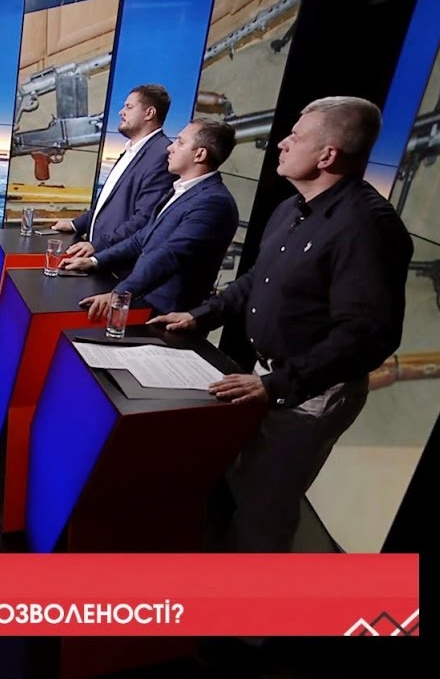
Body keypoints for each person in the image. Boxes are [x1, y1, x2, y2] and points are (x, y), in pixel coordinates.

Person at [150, 96, 414, 552]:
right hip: (268, 376)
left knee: (264, 508)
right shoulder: (292, 208)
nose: (282, 144)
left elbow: (368, 335)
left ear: (327, 155)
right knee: (241, 485)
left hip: (309, 392)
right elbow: (259, 279)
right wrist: (202, 314)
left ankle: (251, 598)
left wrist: (275, 385)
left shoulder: (368, 227)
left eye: (296, 136)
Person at [65, 118, 239, 319]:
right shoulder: (182, 190)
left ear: (200, 154)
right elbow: (142, 238)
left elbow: (171, 255)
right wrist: (95, 261)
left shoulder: (213, 202)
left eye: (180, 142)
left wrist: (119, 294)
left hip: (165, 314)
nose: (170, 148)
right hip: (144, 300)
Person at [54, 84, 176, 263]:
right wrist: (76, 224)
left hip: (116, 264)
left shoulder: (161, 155)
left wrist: (99, 245)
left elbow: (144, 219)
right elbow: (110, 204)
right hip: (99, 255)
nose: (121, 112)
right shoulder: (132, 150)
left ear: (149, 113)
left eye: (129, 107)